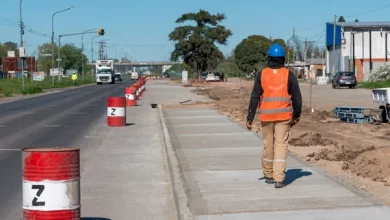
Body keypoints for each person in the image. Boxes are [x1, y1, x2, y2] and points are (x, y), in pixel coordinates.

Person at [246, 43, 302, 188]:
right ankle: (279, 178)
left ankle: (268, 174)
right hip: (283, 117)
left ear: (269, 58)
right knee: (280, 145)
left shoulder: (262, 74)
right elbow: (296, 97)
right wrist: (296, 115)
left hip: (266, 117)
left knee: (268, 145)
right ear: (283, 58)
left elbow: (254, 97)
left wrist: (250, 118)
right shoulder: (289, 75)